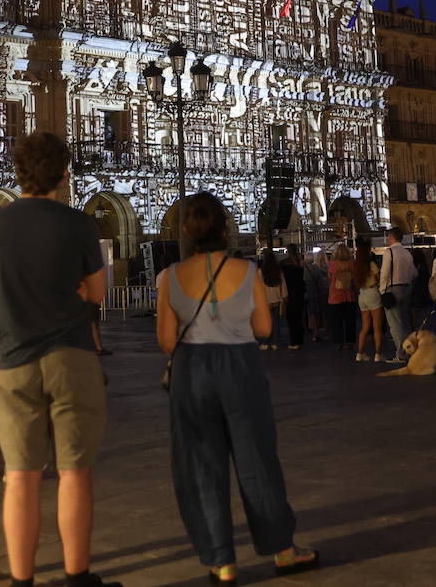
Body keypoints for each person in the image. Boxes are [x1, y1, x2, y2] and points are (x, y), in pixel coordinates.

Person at [156, 192, 319, 584]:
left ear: (187, 231)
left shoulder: (169, 277)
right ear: (225, 229)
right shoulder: (248, 273)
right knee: (257, 459)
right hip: (240, 366)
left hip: (192, 370)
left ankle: (220, 560)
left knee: (200, 466)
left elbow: (165, 340)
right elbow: (264, 329)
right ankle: (282, 549)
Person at [0, 132, 117, 587]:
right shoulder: (78, 224)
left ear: (18, 174)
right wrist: (74, 287)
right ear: (63, 172)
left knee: (20, 476)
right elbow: (97, 293)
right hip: (71, 355)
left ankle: (22, 580)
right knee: (74, 471)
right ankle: (77, 576)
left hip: (13, 359)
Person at [378, 225, 417, 361]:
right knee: (405, 322)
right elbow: (414, 273)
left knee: (395, 324)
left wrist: (382, 290)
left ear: (392, 237)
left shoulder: (389, 252)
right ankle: (410, 351)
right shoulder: (407, 253)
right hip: (407, 288)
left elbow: (385, 273)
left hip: (393, 289)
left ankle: (401, 354)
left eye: (388, 236)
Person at [352, 238, 383, 362]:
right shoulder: (371, 264)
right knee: (377, 326)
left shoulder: (356, 265)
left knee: (364, 326)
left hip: (362, 295)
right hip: (372, 293)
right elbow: (379, 278)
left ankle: (360, 353)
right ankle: (378, 354)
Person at [326, 244, 358, 351]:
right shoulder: (352, 264)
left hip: (335, 296)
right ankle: (350, 341)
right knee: (350, 320)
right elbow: (355, 279)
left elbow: (329, 278)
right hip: (349, 295)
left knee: (336, 321)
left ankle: (338, 342)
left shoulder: (332, 265)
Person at [281, 245, 308, 349]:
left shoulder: (285, 265)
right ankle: (300, 340)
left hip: (290, 294)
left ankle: (294, 341)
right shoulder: (300, 263)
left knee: (291, 319)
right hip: (300, 293)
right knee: (299, 318)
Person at [259, 249, 284, 350]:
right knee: (276, 322)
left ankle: (265, 343)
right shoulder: (278, 271)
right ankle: (275, 343)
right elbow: (283, 285)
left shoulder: (261, 272)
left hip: (265, 300)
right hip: (276, 299)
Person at [303, 250, 328, 341]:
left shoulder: (304, 269)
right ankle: (318, 331)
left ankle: (313, 331)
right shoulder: (316, 268)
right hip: (316, 293)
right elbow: (320, 282)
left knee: (311, 313)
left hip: (307, 294)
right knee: (317, 312)